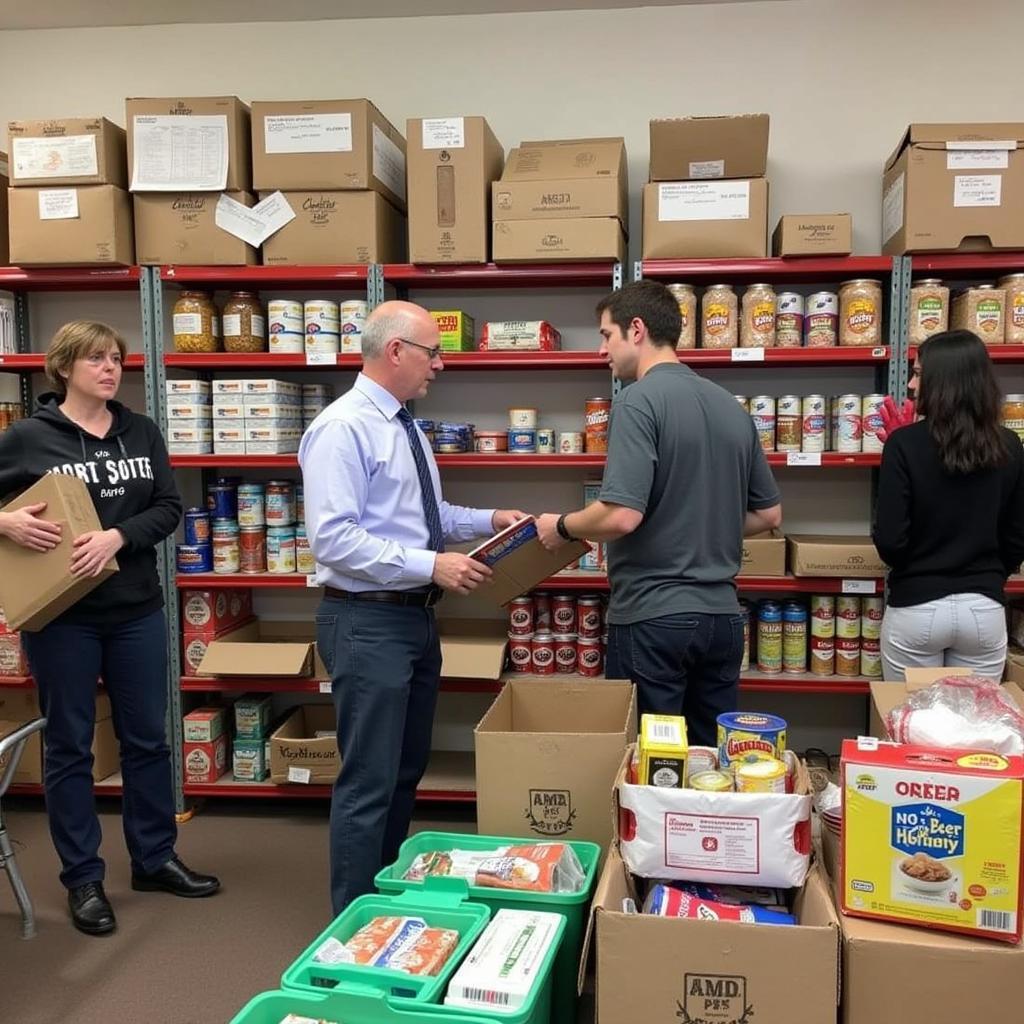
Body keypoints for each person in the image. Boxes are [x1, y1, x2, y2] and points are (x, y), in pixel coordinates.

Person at [299, 300, 525, 914]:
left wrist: (490, 519)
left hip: (411, 620)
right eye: (433, 352)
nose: (441, 365)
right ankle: (350, 920)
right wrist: (435, 565)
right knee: (369, 779)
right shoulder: (343, 428)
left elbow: (428, 519)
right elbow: (334, 539)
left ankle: (382, 895)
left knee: (402, 769)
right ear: (396, 351)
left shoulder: (405, 426)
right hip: (366, 619)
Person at [0, 321, 219, 937]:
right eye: (95, 359)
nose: (109, 368)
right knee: (70, 746)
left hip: (136, 611)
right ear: (64, 367)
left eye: (116, 359)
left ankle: (154, 858)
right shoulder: (26, 437)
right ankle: (83, 879)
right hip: (62, 618)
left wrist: (120, 536)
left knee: (148, 738)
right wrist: (7, 524)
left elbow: (169, 508)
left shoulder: (140, 431)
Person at [536, 281, 782, 746]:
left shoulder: (637, 400)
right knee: (710, 764)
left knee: (652, 765)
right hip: (724, 621)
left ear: (636, 329)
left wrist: (562, 527)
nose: (600, 350)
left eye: (605, 335)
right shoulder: (729, 407)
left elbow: (621, 516)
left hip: (654, 619)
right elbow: (768, 514)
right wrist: (699, 521)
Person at [873, 329, 1024, 680]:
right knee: (972, 728)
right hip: (983, 610)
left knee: (912, 724)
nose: (911, 385)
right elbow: (1018, 537)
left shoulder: (904, 444)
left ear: (943, 380)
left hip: (916, 606)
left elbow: (890, 540)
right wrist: (987, 575)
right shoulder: (1010, 445)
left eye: (919, 373)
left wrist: (918, 567)